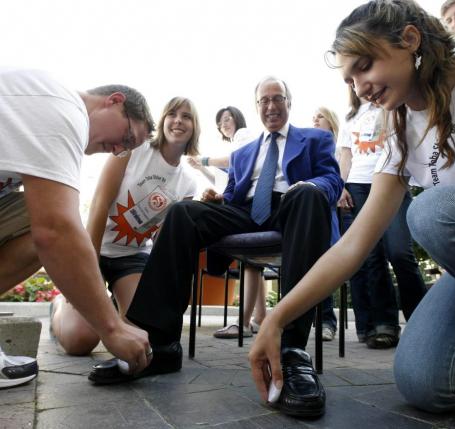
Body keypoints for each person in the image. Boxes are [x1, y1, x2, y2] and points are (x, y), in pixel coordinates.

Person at [249, 0, 455, 415]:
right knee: (424, 380)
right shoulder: (398, 136)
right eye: (350, 79)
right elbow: (352, 246)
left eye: (364, 66)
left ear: (410, 40)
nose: (360, 86)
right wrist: (277, 318)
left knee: (431, 213)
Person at [89, 76, 343, 418]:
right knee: (182, 213)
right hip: (247, 211)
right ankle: (160, 344)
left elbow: (331, 179)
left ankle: (291, 352)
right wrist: (217, 199)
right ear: (256, 107)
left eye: (277, 98)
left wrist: (308, 186)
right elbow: (235, 193)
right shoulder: (243, 152)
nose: (271, 105)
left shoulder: (316, 138)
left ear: (288, 102)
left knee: (309, 195)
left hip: (294, 205)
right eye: (264, 100)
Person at [0, 67, 155, 388]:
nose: (117, 150)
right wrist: (112, 328)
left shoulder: (41, 108)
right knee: (51, 220)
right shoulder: (64, 110)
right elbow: (56, 231)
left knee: (38, 212)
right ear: (114, 101)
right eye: (126, 138)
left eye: (126, 149)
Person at [50, 97, 199, 355]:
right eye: (172, 113)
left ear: (195, 127)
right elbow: (98, 204)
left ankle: (110, 306)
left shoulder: (188, 183)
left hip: (131, 258)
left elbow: (165, 241)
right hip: (94, 248)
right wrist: (90, 264)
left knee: (142, 333)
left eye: (187, 116)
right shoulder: (134, 149)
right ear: (163, 120)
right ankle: (59, 305)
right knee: (80, 341)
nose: (178, 120)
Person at [337, 93, 427, 348]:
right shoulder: (349, 116)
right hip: (357, 186)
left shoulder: (393, 104)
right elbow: (346, 155)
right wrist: (340, 186)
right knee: (371, 258)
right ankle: (384, 325)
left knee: (399, 252)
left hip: (391, 182)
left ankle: (421, 322)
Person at [188, 107, 267, 338]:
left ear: (237, 119)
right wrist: (202, 167)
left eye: (227, 118)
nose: (223, 123)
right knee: (252, 260)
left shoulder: (244, 135)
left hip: (241, 204)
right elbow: (220, 178)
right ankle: (259, 315)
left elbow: (237, 160)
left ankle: (248, 318)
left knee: (249, 255)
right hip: (228, 199)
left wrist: (204, 159)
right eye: (220, 121)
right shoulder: (227, 145)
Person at [312, 107, 341, 342]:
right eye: (313, 117)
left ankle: (327, 321)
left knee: (326, 262)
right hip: (315, 209)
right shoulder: (310, 147)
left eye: (319, 116)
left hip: (333, 211)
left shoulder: (339, 148)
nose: (315, 120)